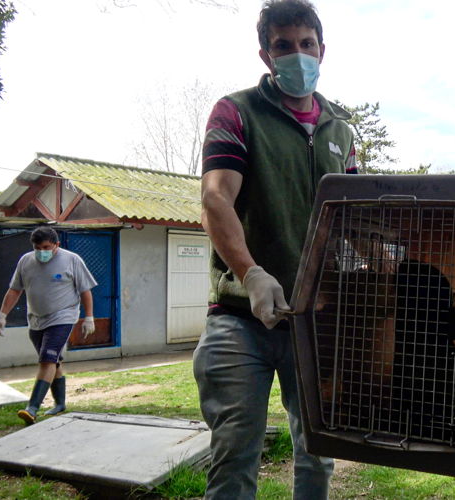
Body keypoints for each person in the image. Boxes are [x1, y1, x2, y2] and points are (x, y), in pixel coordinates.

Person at [192, 0, 356, 498]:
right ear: (266, 54)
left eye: (306, 44)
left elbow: (354, 217)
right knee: (235, 456)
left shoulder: (341, 130)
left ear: (322, 50)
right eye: (284, 46)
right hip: (241, 317)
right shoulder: (236, 111)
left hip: (314, 319)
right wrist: (251, 273)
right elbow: (216, 196)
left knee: (317, 455)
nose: (297, 55)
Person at [0, 226, 97, 425]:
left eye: (46, 247)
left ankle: (32, 408)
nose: (42, 251)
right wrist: (2, 315)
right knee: (53, 360)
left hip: (63, 316)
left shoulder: (72, 260)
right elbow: (15, 290)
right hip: (36, 319)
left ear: (56, 245)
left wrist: (89, 317)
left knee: (47, 360)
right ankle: (60, 404)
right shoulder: (25, 261)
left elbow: (85, 290)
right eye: (37, 247)